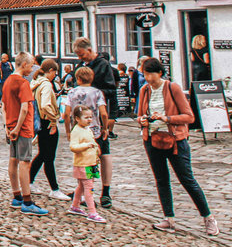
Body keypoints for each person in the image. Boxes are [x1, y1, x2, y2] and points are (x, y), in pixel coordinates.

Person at [136, 57, 219, 235]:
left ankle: (209, 218)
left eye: (151, 74)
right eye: (145, 74)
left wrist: (167, 119)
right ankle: (169, 218)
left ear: (159, 73)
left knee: (187, 179)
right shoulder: (144, 90)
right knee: (161, 180)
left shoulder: (172, 88)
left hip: (175, 140)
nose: (148, 78)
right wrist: (142, 120)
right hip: (152, 139)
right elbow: (140, 114)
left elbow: (189, 117)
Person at [2, 52, 48, 216]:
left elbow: (4, 106)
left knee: (13, 160)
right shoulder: (22, 83)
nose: (32, 68)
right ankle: (27, 201)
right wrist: (17, 128)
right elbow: (24, 108)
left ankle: (16, 196)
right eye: (30, 65)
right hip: (23, 129)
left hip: (12, 126)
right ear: (24, 65)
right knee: (24, 162)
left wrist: (8, 126)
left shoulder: (8, 81)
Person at [73, 37, 116, 208]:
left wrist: (92, 93)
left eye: (82, 55)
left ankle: (106, 192)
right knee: (86, 157)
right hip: (83, 122)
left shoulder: (103, 65)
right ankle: (85, 189)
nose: (80, 59)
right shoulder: (82, 66)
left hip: (97, 119)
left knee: (103, 155)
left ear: (90, 50)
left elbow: (112, 90)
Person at [64, 67, 107, 208]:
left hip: (78, 132)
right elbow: (104, 113)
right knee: (92, 162)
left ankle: (83, 192)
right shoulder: (97, 92)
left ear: (78, 79)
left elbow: (66, 113)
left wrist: (68, 131)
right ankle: (88, 191)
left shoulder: (72, 92)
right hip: (94, 132)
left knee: (81, 161)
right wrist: (105, 127)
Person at [29, 59, 69, 201]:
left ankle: (29, 181)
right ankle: (54, 189)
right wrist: (53, 119)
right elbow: (46, 105)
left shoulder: (36, 82)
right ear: (51, 70)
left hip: (40, 122)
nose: (55, 75)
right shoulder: (46, 85)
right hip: (47, 122)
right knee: (49, 157)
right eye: (55, 72)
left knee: (42, 155)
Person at [68, 105, 106, 223]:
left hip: (91, 162)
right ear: (77, 119)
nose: (89, 120)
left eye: (90, 117)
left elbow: (92, 141)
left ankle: (75, 206)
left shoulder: (87, 129)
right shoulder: (76, 131)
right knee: (89, 188)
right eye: (86, 117)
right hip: (83, 164)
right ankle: (92, 211)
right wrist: (86, 146)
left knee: (82, 186)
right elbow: (73, 146)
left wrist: (96, 149)